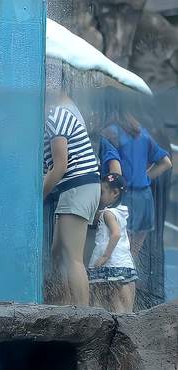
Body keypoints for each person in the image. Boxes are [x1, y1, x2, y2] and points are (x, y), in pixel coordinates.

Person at [99, 89, 172, 257]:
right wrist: (144, 177)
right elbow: (166, 163)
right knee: (133, 255)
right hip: (145, 199)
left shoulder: (109, 133)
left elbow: (113, 170)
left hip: (124, 199)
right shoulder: (141, 132)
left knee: (119, 255)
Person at [43, 90, 101, 306]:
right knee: (57, 253)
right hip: (77, 187)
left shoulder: (55, 116)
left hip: (78, 185)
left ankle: (84, 315)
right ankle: (64, 306)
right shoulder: (51, 119)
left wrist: (37, 197)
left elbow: (59, 167)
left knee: (73, 256)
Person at [88, 173, 137, 313]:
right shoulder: (121, 213)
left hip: (110, 266)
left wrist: (105, 256)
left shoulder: (108, 213)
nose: (99, 196)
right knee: (125, 310)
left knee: (101, 304)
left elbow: (116, 234)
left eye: (102, 192)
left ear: (115, 193)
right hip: (125, 264)